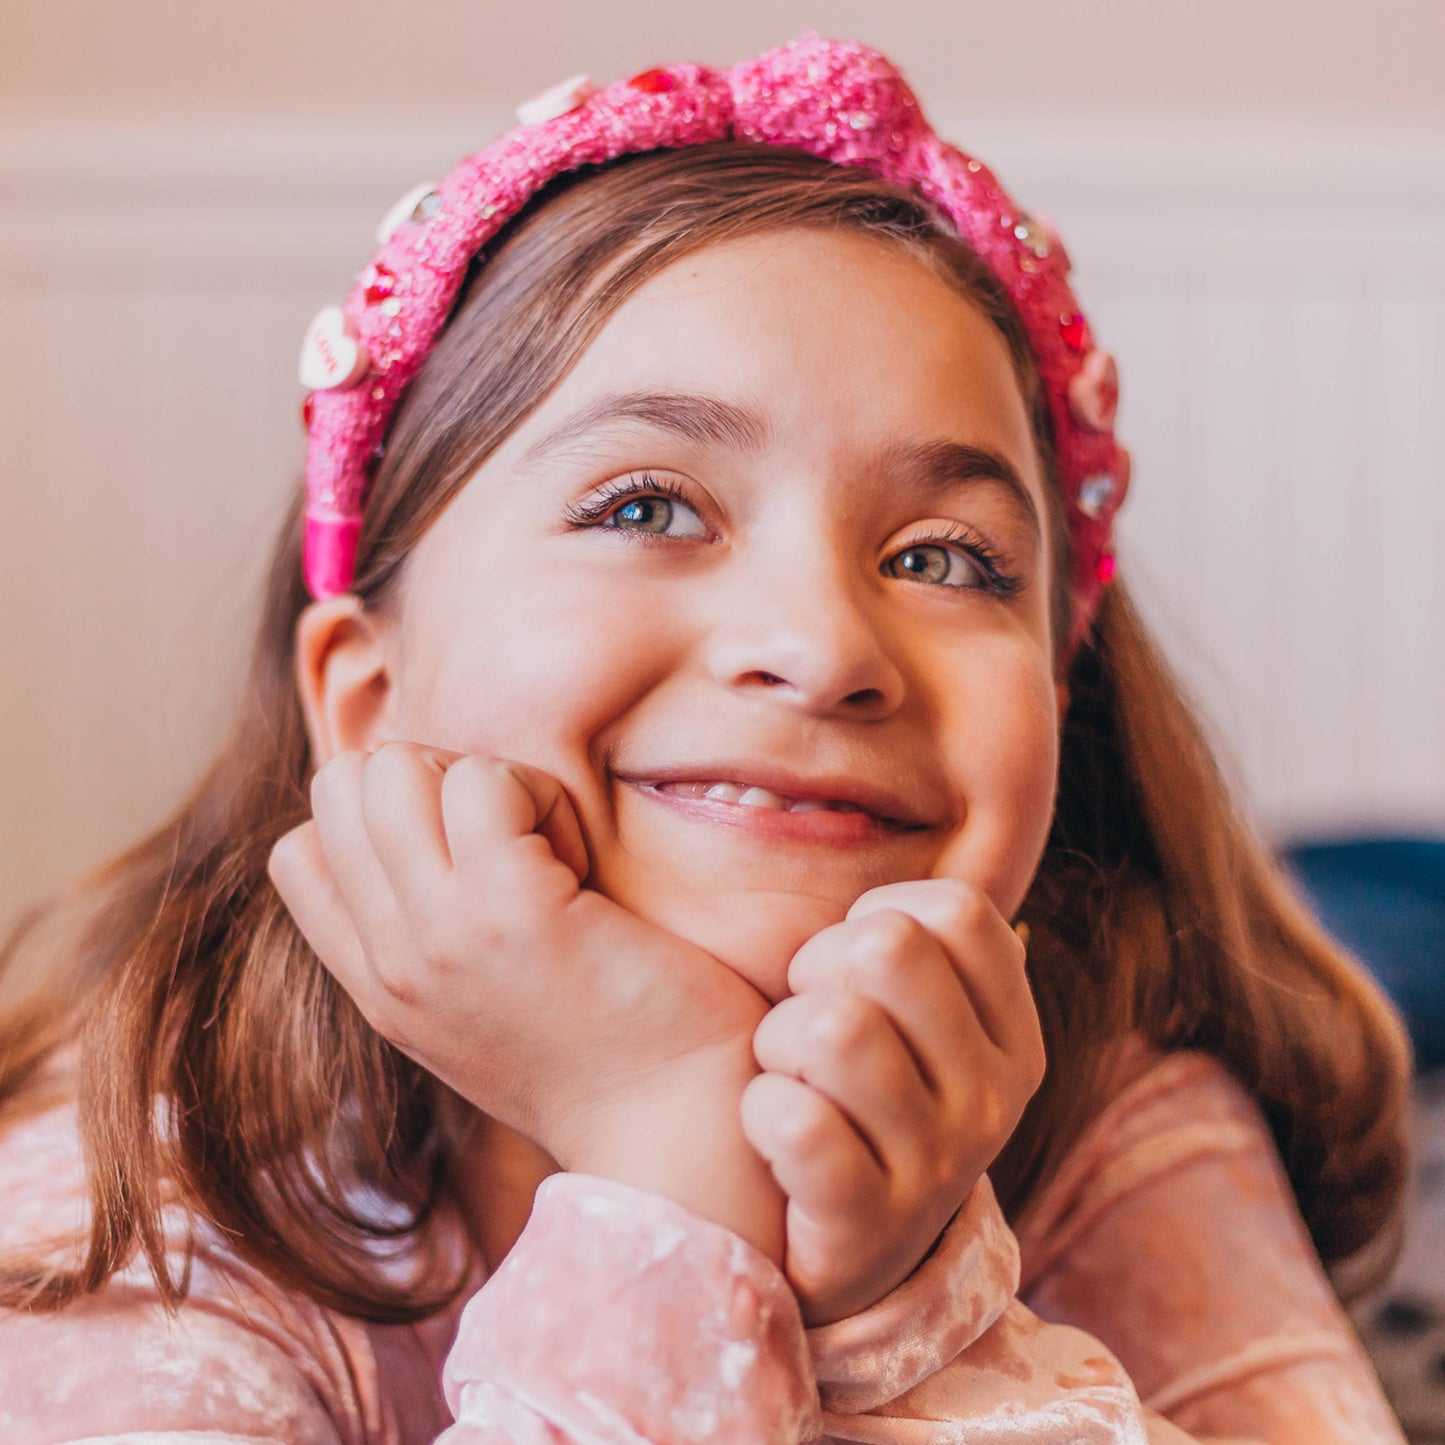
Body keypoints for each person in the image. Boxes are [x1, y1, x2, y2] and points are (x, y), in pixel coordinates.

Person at [0, 31, 1414, 1443]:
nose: (823, 647)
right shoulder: (128, 1198)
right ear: (367, 698)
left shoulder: (1116, 1108)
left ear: (1056, 697)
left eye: (943, 558)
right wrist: (673, 1172)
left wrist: (894, 1313)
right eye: (646, 507)